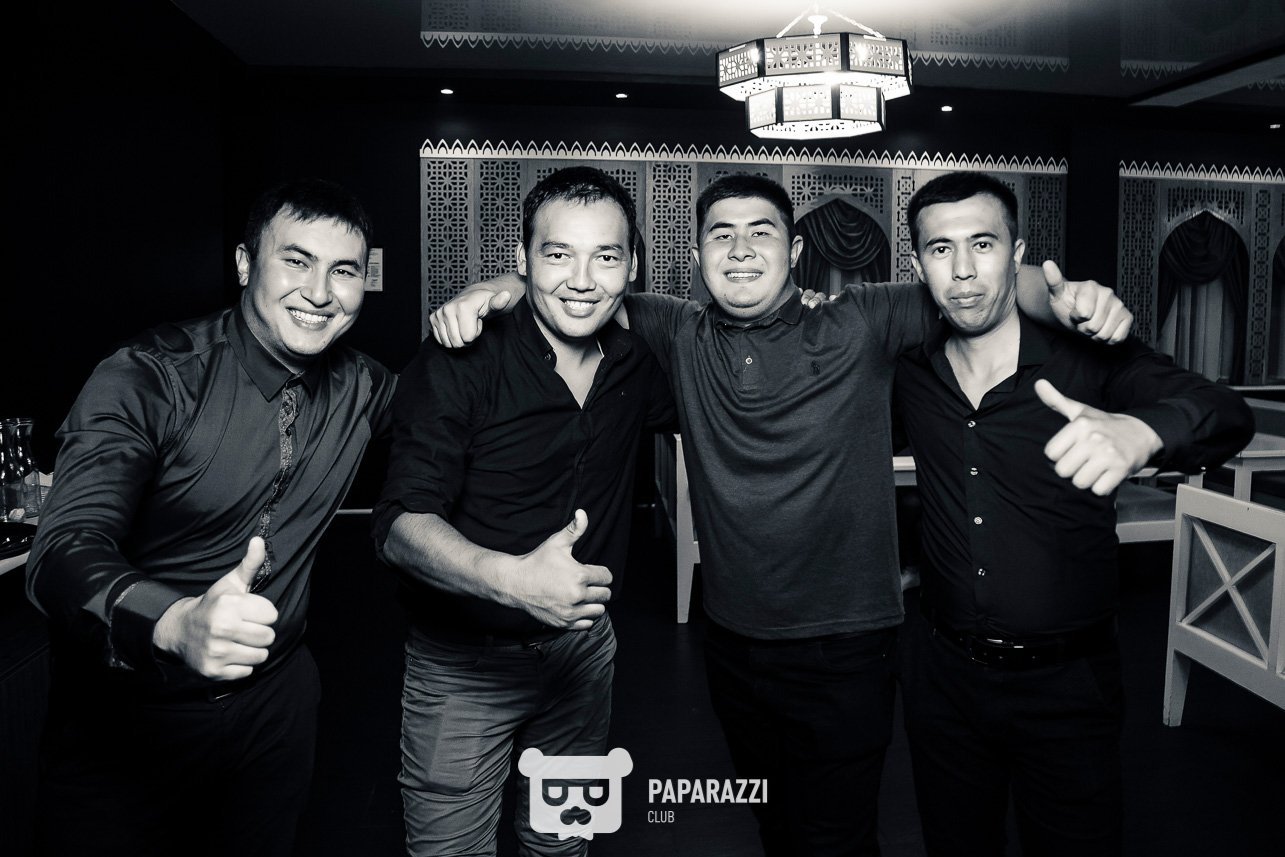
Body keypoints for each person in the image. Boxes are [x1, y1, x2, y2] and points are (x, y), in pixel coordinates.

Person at [430, 173, 1132, 857]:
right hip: (733, 644)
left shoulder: (861, 319)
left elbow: (976, 285)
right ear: (697, 255)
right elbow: (575, 284)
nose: (740, 250)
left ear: (794, 250)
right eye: (721, 235)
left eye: (760, 233)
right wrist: (490, 290)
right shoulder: (676, 329)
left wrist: (1066, 294)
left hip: (847, 645)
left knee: (836, 839)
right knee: (774, 825)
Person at [26, 178, 396, 857]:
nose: (320, 292)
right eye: (296, 261)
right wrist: (173, 621)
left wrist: (508, 292)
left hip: (276, 709)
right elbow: (63, 549)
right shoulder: (149, 376)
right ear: (246, 263)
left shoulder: (364, 387)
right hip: (127, 720)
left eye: (343, 271)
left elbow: (464, 404)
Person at [892, 171, 1254, 857]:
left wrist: (1141, 432)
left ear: (1017, 253)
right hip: (941, 677)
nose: (963, 269)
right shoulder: (909, 372)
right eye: (940, 248)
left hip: (1067, 683)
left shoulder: (1089, 361)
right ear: (917, 264)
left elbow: (1225, 412)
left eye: (982, 244)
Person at [372, 166, 674, 856]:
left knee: (561, 844)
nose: (582, 280)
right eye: (557, 253)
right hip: (462, 666)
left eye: (605, 256)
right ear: (523, 259)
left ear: (631, 267)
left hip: (583, 656)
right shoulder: (461, 359)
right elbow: (398, 525)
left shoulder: (634, 364)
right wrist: (510, 579)